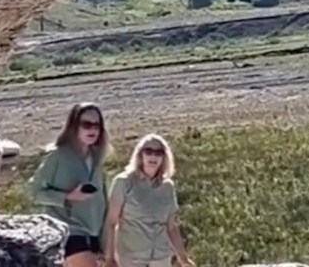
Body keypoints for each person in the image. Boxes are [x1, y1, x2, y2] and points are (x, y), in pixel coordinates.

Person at [28, 103, 111, 267]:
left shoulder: (96, 160)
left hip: (93, 235)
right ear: (74, 126)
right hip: (67, 232)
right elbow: (34, 192)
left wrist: (105, 242)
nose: (92, 130)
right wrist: (67, 197)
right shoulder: (57, 156)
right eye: (86, 124)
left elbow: (103, 205)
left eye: (97, 125)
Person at [103, 134, 193, 267]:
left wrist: (184, 259)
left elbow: (171, 227)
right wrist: (109, 258)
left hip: (161, 257)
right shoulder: (123, 182)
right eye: (148, 151)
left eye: (158, 153)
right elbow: (111, 223)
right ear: (140, 155)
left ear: (164, 157)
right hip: (131, 257)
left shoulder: (168, 186)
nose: (153, 157)